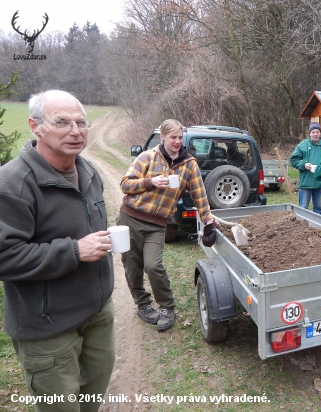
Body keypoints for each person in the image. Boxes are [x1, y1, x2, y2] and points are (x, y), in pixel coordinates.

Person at [0, 90, 115, 411]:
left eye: (81, 122)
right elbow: (4, 257)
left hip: (97, 314)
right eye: (62, 122)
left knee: (92, 400)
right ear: (35, 126)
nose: (75, 131)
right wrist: (75, 251)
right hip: (47, 327)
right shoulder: (12, 184)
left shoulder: (89, 172)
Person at [118, 119, 216, 331]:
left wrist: (207, 219)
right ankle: (143, 305)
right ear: (162, 137)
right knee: (132, 266)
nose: (177, 141)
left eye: (180, 138)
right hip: (130, 219)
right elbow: (125, 184)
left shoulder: (189, 164)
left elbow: (199, 195)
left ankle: (167, 307)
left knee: (153, 265)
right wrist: (150, 182)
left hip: (157, 224)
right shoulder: (148, 157)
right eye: (173, 137)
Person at [290, 122, 321, 214]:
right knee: (303, 207)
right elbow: (293, 160)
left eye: (317, 132)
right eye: (313, 132)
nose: (315, 134)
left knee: (318, 208)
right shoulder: (303, 145)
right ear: (309, 133)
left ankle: (316, 226)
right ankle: (302, 225)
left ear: (320, 133)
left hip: (320, 183)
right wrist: (304, 165)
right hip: (306, 183)